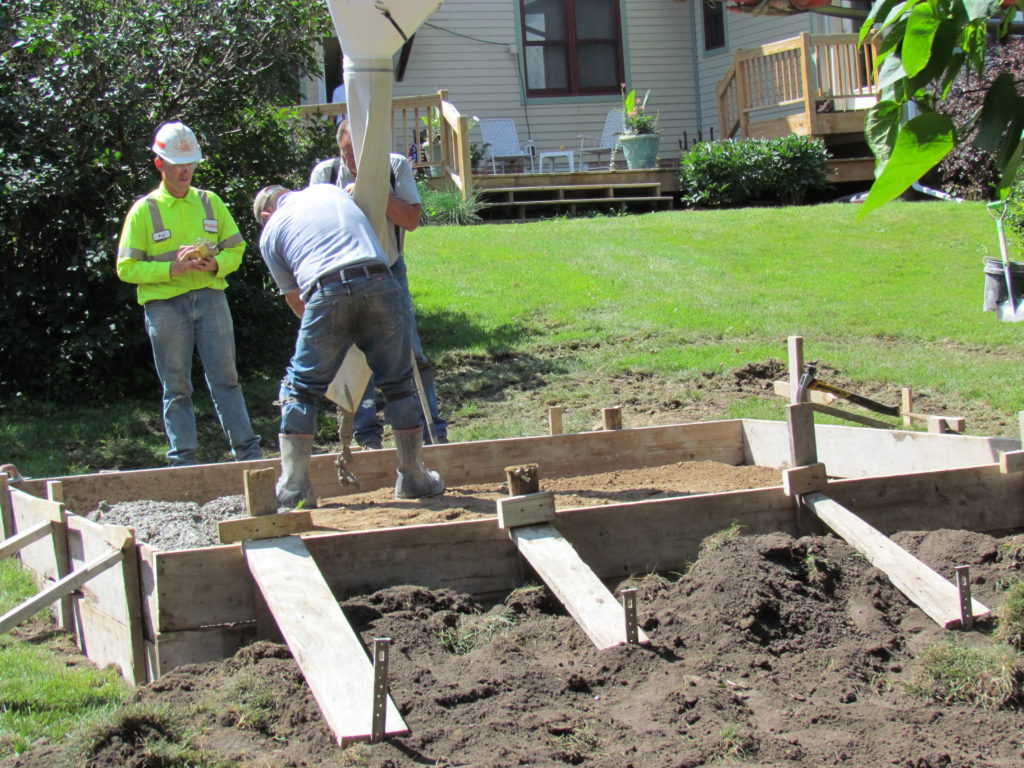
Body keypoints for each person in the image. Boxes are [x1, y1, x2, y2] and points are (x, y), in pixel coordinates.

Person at [252, 182, 444, 506]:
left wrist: (332, 343)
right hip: (382, 281)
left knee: (300, 390)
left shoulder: (270, 233)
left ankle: (294, 489)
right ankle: (413, 477)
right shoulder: (330, 191)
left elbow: (298, 302)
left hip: (325, 291)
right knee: (398, 385)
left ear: (267, 214)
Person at [117, 122, 262, 467]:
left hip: (211, 300)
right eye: (177, 163)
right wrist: (173, 270)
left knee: (227, 379)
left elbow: (237, 249)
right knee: (176, 386)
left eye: (191, 163)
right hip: (165, 306)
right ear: (159, 165)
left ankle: (248, 455)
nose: (185, 171)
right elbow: (126, 268)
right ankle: (183, 462)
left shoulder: (210, 202)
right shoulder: (144, 210)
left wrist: (215, 265)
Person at [309, 119, 449, 449]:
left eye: (357, 155)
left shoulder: (394, 166)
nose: (350, 162)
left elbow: (411, 220)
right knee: (356, 357)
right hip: (344, 276)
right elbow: (316, 226)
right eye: (345, 154)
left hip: (388, 270)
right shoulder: (325, 175)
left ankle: (433, 433)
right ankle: (367, 438)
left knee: (411, 351)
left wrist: (373, 191)